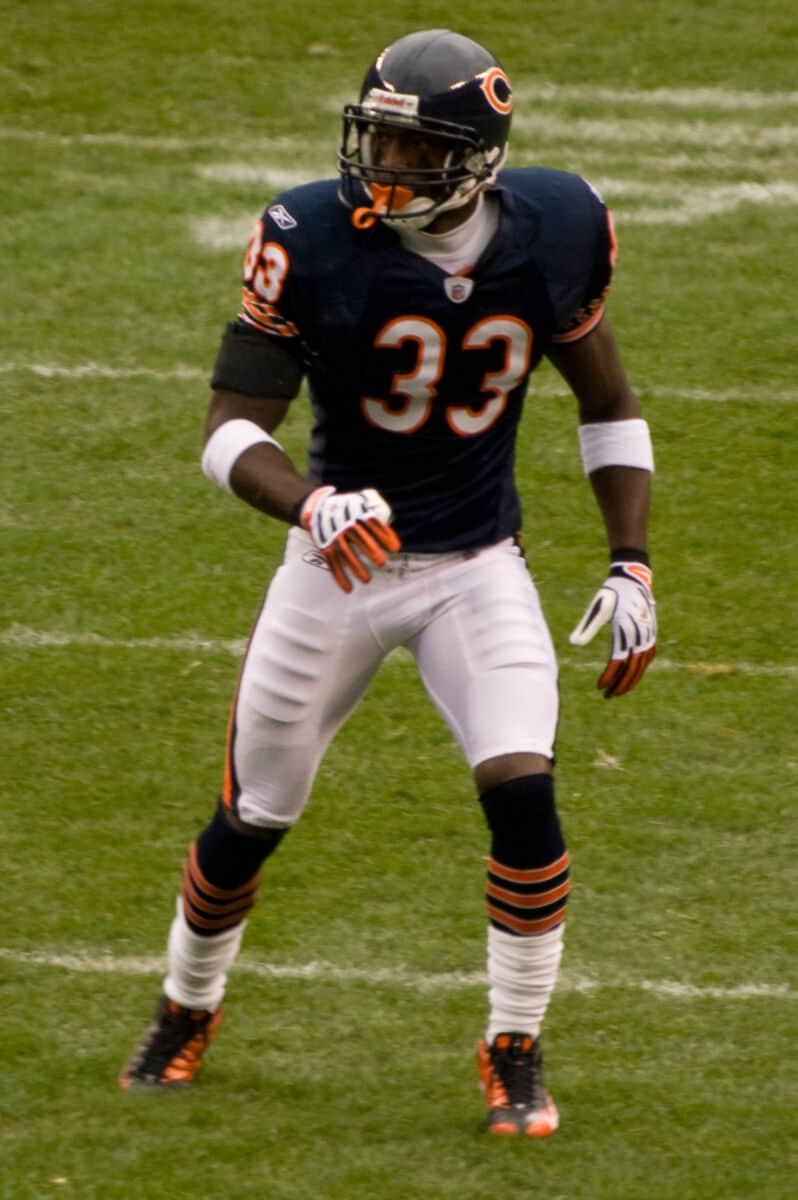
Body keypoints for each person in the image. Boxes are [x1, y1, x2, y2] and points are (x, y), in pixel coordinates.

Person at [120, 28, 656, 1137]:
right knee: (253, 815)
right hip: (337, 569)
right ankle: (187, 1002)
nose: (386, 167)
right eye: (380, 140)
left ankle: (514, 1046)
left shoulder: (555, 229)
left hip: (475, 566)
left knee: (524, 795)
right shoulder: (310, 236)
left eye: (416, 151)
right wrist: (311, 503)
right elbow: (229, 430)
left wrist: (632, 560)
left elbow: (608, 402)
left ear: (477, 159)